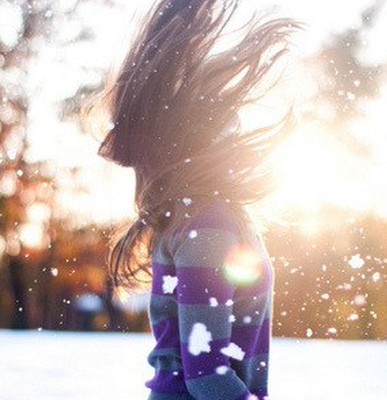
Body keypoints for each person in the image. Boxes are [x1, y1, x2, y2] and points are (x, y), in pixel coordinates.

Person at [84, 0, 303, 398]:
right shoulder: (208, 226)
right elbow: (207, 376)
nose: (238, 132)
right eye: (228, 127)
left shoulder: (206, 218)